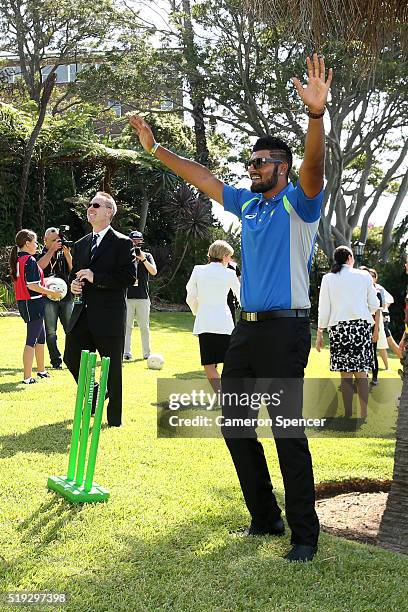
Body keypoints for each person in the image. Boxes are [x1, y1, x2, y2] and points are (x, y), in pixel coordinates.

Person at [130, 53, 333, 562]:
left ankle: (305, 537)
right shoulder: (251, 204)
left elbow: (314, 168)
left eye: (260, 163)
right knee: (236, 427)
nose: (252, 168)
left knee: (287, 433)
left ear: (281, 168)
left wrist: (315, 117)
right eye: (250, 163)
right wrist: (158, 149)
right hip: (245, 332)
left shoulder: (299, 202)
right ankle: (265, 518)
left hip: (286, 333)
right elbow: (204, 179)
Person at [63, 192, 136, 427]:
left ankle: (114, 420)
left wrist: (97, 278)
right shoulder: (81, 244)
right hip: (83, 314)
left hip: (109, 315)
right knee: (71, 357)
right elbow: (76, 275)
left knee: (112, 369)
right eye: (89, 205)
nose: (90, 208)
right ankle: (94, 391)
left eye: (96, 205)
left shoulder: (123, 243)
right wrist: (74, 284)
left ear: (109, 212)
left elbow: (128, 277)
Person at [316, 247, 380, 419]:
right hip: (360, 328)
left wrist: (320, 332)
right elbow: (374, 304)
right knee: (361, 373)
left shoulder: (328, 278)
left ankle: (348, 414)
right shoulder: (364, 276)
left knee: (345, 375)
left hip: (339, 329)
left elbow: (324, 307)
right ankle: (364, 413)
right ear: (350, 257)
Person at [186, 240, 240, 393]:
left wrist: (198, 311)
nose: (229, 260)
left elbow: (190, 297)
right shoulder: (230, 273)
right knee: (229, 362)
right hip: (225, 324)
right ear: (224, 256)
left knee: (209, 364)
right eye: (229, 257)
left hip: (205, 323)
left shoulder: (198, 270)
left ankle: (222, 395)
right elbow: (242, 297)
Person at [9, 229, 60, 384]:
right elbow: (33, 285)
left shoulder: (20, 259)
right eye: (35, 242)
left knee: (41, 337)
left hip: (28, 301)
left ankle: (41, 371)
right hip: (32, 302)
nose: (37, 245)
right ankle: (27, 377)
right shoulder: (29, 260)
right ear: (27, 243)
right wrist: (52, 292)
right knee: (31, 339)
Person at [36, 227, 73, 369]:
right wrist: (51, 250)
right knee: (51, 332)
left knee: (70, 329)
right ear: (45, 240)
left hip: (66, 297)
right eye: (52, 241)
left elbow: (73, 269)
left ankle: (71, 358)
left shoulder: (63, 254)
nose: (56, 243)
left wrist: (67, 254)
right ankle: (56, 361)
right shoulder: (39, 255)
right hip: (47, 297)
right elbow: (39, 267)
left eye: (58, 240)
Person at [123, 230, 157, 361]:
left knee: (144, 327)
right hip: (127, 297)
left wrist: (142, 259)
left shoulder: (147, 255)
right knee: (127, 326)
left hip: (143, 297)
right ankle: (126, 352)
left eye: (138, 241)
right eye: (134, 241)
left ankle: (147, 353)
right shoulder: (125, 256)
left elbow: (153, 272)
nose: (136, 244)